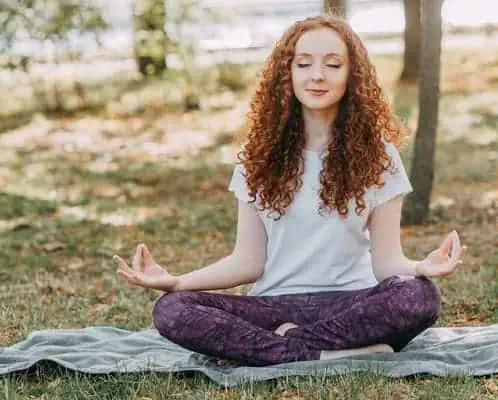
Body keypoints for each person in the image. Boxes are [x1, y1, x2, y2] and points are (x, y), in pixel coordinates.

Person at [112, 14, 467, 366]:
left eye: (332, 64)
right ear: (288, 73)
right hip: (273, 306)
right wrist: (176, 282)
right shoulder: (258, 157)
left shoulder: (379, 155)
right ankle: (329, 353)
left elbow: (387, 262)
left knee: (419, 296)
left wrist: (421, 266)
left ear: (351, 77)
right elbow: (247, 262)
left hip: (354, 305)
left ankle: (287, 348)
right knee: (172, 309)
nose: (317, 75)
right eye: (304, 63)